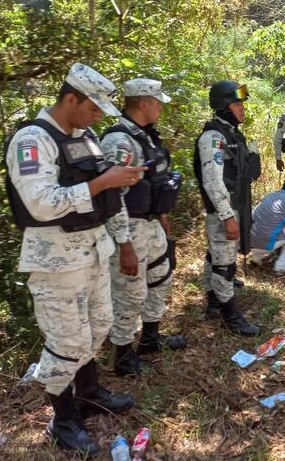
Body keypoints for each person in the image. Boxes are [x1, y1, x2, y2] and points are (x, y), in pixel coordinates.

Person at [5, 63, 144, 454]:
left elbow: (107, 192)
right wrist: (103, 181)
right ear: (70, 98)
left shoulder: (86, 136)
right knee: (67, 343)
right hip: (56, 261)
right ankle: (63, 418)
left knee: (99, 325)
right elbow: (42, 202)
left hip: (94, 251)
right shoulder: (32, 140)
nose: (98, 116)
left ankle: (89, 391)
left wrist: (119, 195)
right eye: (93, 108)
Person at [100, 79, 187, 378]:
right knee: (130, 293)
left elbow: (153, 182)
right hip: (129, 228)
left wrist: (161, 215)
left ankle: (150, 338)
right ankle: (123, 354)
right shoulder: (119, 141)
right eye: (157, 101)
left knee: (160, 278)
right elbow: (113, 197)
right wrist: (123, 244)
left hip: (150, 223)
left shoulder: (147, 137)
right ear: (144, 102)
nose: (161, 106)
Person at [196, 81, 261, 336]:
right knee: (224, 264)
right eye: (236, 104)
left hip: (234, 207)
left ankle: (213, 300)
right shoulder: (213, 137)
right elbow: (212, 181)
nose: (242, 109)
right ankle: (229, 314)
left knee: (217, 256)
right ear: (224, 107)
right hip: (224, 211)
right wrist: (227, 217)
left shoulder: (231, 134)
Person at [249, 176, 285, 273]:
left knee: (274, 224)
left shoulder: (272, 195)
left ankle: (256, 257)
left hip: (248, 243)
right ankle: (283, 264)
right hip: (263, 245)